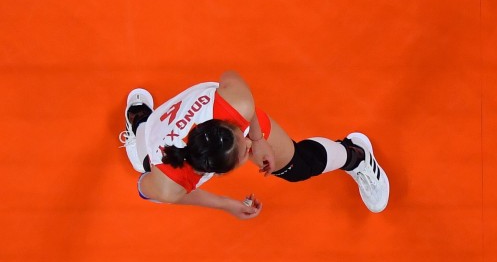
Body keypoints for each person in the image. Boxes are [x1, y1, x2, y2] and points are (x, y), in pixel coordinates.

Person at [117, 71, 389, 218]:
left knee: (295, 167)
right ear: (216, 173)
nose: (248, 146)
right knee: (140, 158)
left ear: (224, 123)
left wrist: (257, 139)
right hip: (155, 137)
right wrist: (227, 204)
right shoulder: (168, 184)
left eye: (241, 135)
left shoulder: (237, 105)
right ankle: (139, 117)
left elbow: (230, 75)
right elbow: (154, 188)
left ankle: (356, 155)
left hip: (164, 128)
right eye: (245, 151)